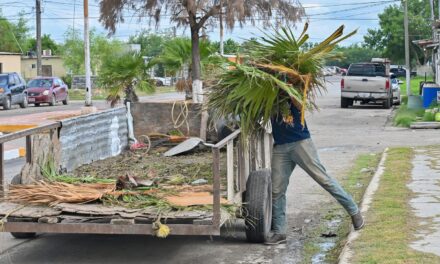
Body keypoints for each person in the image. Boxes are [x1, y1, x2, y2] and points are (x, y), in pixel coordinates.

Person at [264, 102, 364, 245]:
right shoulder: (267, 92)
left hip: (301, 143)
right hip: (280, 146)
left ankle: (354, 211)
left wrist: (289, 91)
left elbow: (301, 105)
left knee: (323, 179)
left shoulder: (295, 86)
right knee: (277, 190)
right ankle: (280, 232)